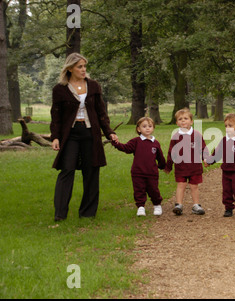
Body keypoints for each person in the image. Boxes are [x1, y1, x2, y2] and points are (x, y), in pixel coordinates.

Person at [50, 53, 118, 221]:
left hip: (90, 133)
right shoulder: (60, 89)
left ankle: (87, 213)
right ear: (70, 68)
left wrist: (109, 132)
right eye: (79, 66)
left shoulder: (93, 86)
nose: (83, 70)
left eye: (84, 66)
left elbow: (101, 112)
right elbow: (56, 116)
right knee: (67, 170)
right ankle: (60, 214)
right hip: (70, 135)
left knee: (91, 171)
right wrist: (55, 137)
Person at [112, 117, 166, 217]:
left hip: (152, 173)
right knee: (139, 190)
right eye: (144, 126)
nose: (147, 128)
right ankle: (141, 207)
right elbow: (126, 148)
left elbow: (160, 157)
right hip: (138, 173)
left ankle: (157, 205)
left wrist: (163, 166)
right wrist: (116, 143)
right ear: (138, 129)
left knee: (153, 189)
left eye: (150, 126)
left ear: (153, 128)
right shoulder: (136, 141)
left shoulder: (155, 143)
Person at [165, 108, 209, 215]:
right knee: (181, 185)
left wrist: (206, 158)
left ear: (191, 121)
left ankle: (196, 205)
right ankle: (179, 204)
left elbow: (203, 148)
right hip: (181, 167)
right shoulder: (175, 137)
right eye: (180, 119)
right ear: (176, 123)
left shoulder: (197, 135)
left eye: (186, 118)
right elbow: (171, 152)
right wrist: (168, 166)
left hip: (194, 167)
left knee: (194, 186)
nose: (183, 121)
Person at [204, 113, 235, 218]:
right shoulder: (224, 140)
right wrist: (210, 161)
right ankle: (228, 208)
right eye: (226, 126)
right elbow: (217, 153)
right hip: (226, 170)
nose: (228, 128)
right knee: (226, 190)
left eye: (230, 126)